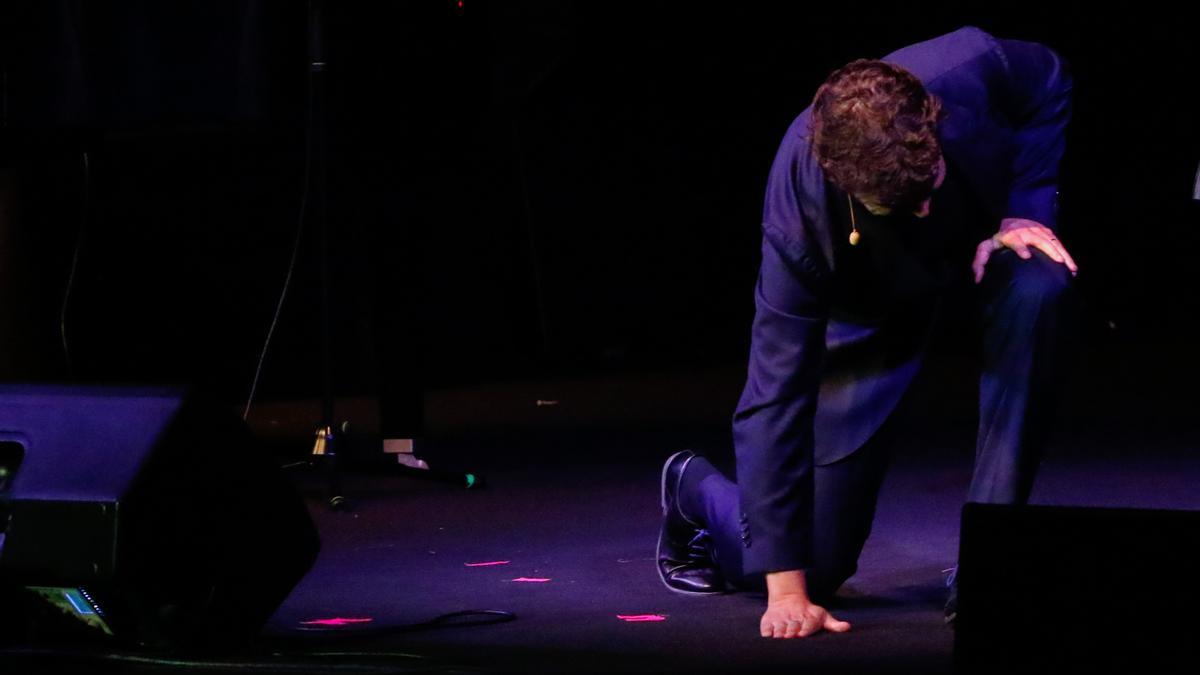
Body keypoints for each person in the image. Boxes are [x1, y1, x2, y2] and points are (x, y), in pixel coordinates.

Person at [656, 26, 1076, 639]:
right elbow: (775, 393)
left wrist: (1026, 209)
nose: (924, 212)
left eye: (926, 185)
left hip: (987, 243)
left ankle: (992, 555)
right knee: (813, 563)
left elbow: (1050, 80)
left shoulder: (971, 64)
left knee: (1043, 285)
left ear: (931, 122)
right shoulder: (800, 207)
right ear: (845, 184)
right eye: (906, 205)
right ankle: (692, 488)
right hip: (872, 297)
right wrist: (788, 590)